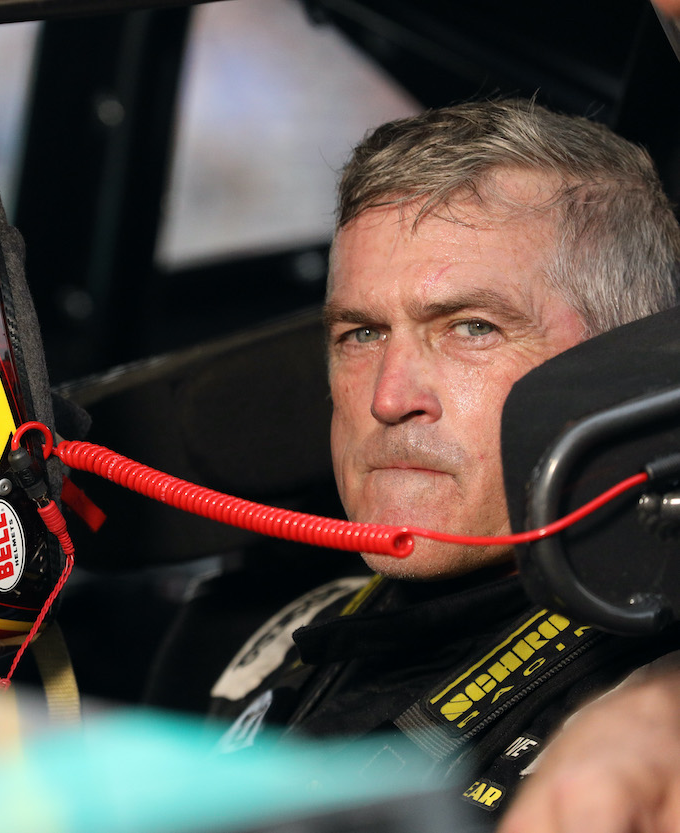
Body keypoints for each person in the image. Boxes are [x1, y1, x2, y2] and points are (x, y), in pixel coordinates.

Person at [208, 97, 680, 822]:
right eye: (361, 334)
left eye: (471, 326)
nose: (389, 398)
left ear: (629, 367)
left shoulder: (647, 736)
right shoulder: (280, 647)